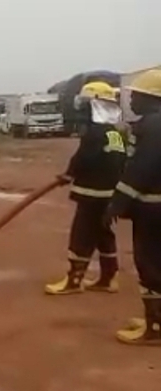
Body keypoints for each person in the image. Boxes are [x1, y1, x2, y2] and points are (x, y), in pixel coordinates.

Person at [45, 81, 127, 295]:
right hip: (109, 194)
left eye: (85, 103)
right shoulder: (115, 131)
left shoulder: (94, 132)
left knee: (81, 235)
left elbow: (84, 158)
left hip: (92, 194)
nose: (81, 109)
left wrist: (68, 175)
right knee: (103, 234)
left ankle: (74, 281)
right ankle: (109, 279)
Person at [108, 68, 161, 345]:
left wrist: (117, 203)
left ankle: (155, 329)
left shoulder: (152, 126)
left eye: (137, 96)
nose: (131, 101)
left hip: (153, 210)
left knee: (150, 264)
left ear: (152, 98)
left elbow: (141, 169)